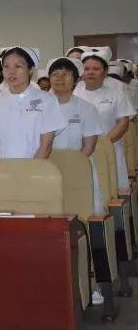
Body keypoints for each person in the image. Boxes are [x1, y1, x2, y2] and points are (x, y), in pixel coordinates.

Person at [0, 47, 65, 160]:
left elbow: (46, 146)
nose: (11, 72)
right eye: (6, 66)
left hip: (36, 167)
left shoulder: (47, 100)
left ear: (30, 69)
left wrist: (31, 169)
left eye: (18, 66)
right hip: (2, 168)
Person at [47, 57, 106, 213]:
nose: (60, 78)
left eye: (66, 74)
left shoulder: (87, 108)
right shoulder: (39, 107)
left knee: (78, 211)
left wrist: (72, 166)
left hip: (77, 166)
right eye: (55, 74)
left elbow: (89, 146)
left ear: (75, 80)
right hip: (46, 169)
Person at [75, 50, 135, 191]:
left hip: (109, 148)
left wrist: (103, 144)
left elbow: (123, 123)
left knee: (110, 191)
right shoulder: (76, 91)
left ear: (105, 72)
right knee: (84, 192)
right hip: (81, 151)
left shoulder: (116, 91)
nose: (90, 72)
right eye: (87, 69)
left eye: (96, 69)